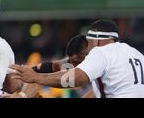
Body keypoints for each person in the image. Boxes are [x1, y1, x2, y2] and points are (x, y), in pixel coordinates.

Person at [11, 19, 144, 98]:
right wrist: (35, 70)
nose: (89, 47)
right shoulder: (136, 54)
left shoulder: (101, 51)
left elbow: (75, 80)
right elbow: (101, 91)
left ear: (96, 41)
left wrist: (35, 77)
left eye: (90, 42)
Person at [3, 34, 89, 98]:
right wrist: (22, 95)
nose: (71, 66)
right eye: (71, 61)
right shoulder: (67, 65)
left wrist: (36, 77)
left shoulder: (98, 67)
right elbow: (35, 73)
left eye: (76, 62)